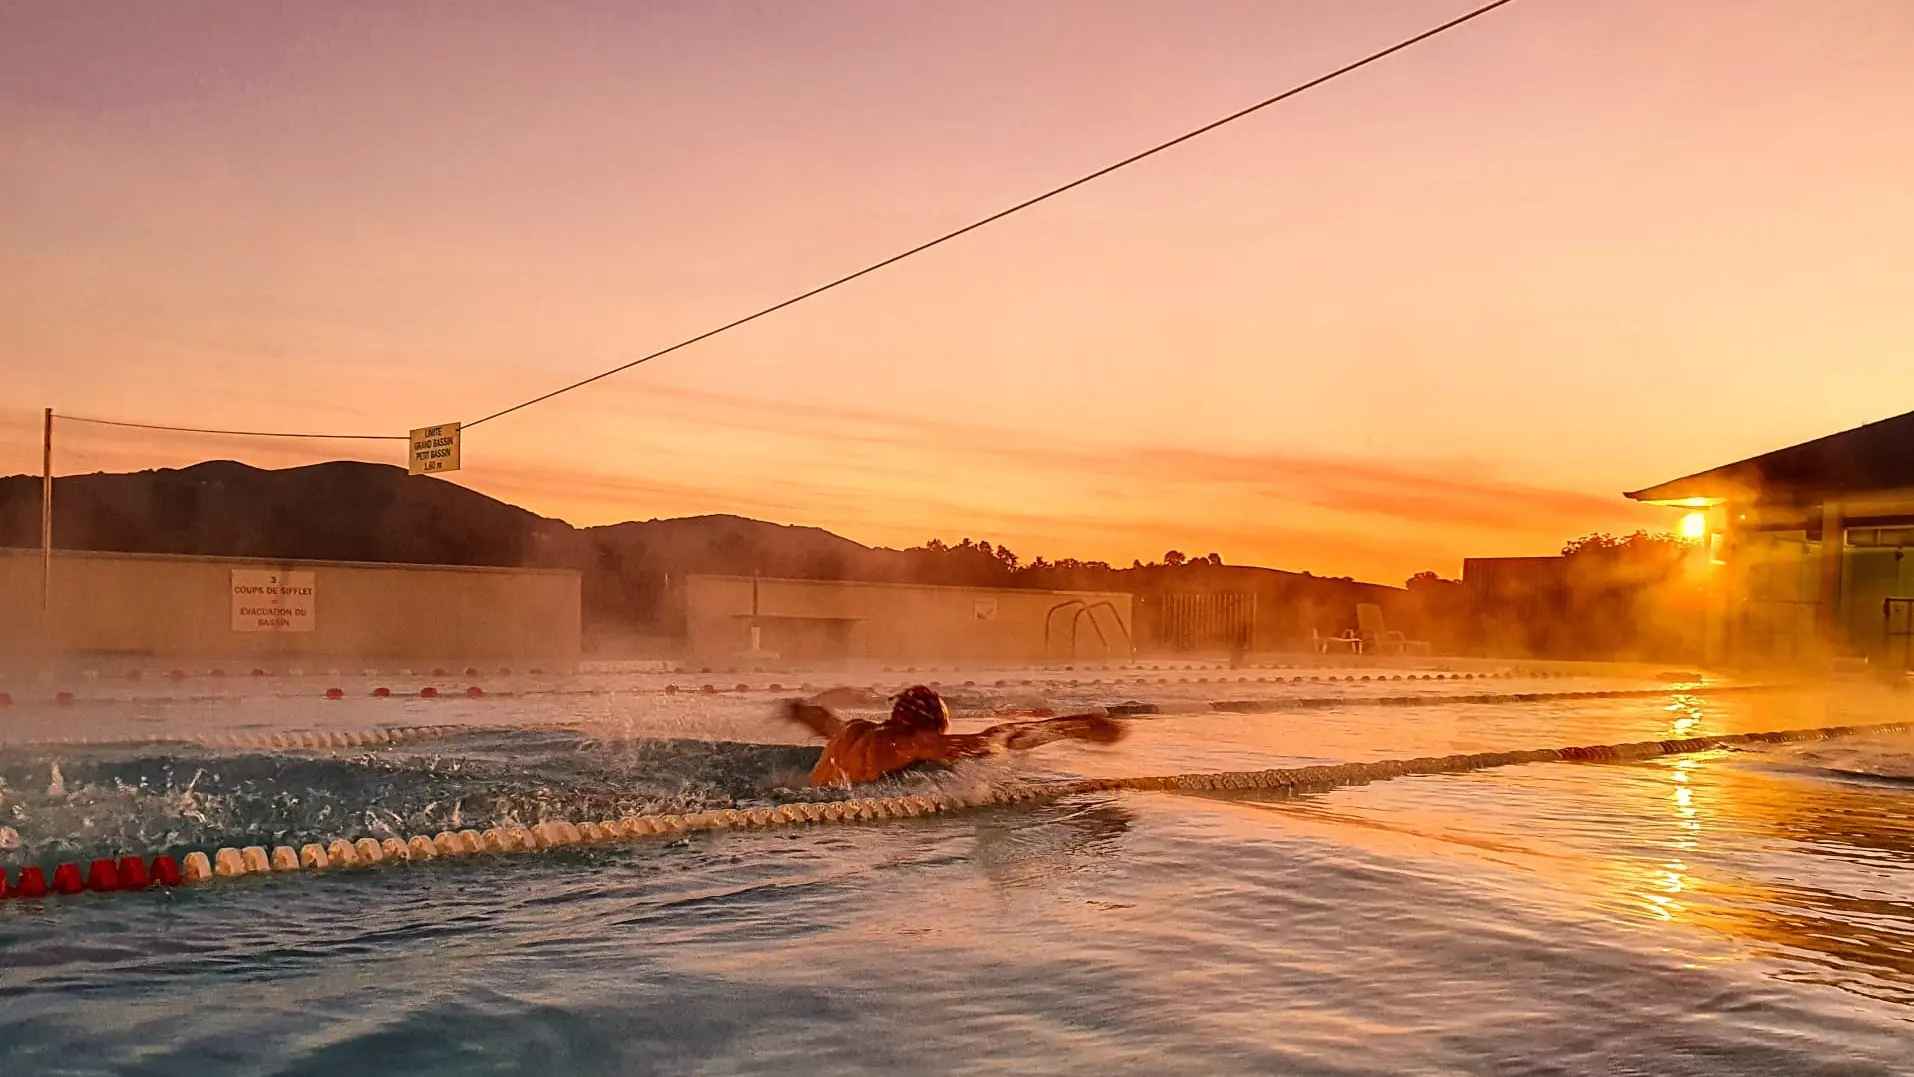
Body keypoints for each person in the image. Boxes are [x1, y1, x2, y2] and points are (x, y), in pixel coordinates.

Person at [779, 684, 1127, 787]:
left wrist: (798, 711)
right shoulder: (913, 742)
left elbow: (826, 722)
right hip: (830, 814)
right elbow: (994, 740)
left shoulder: (855, 730)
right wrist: (1074, 726)